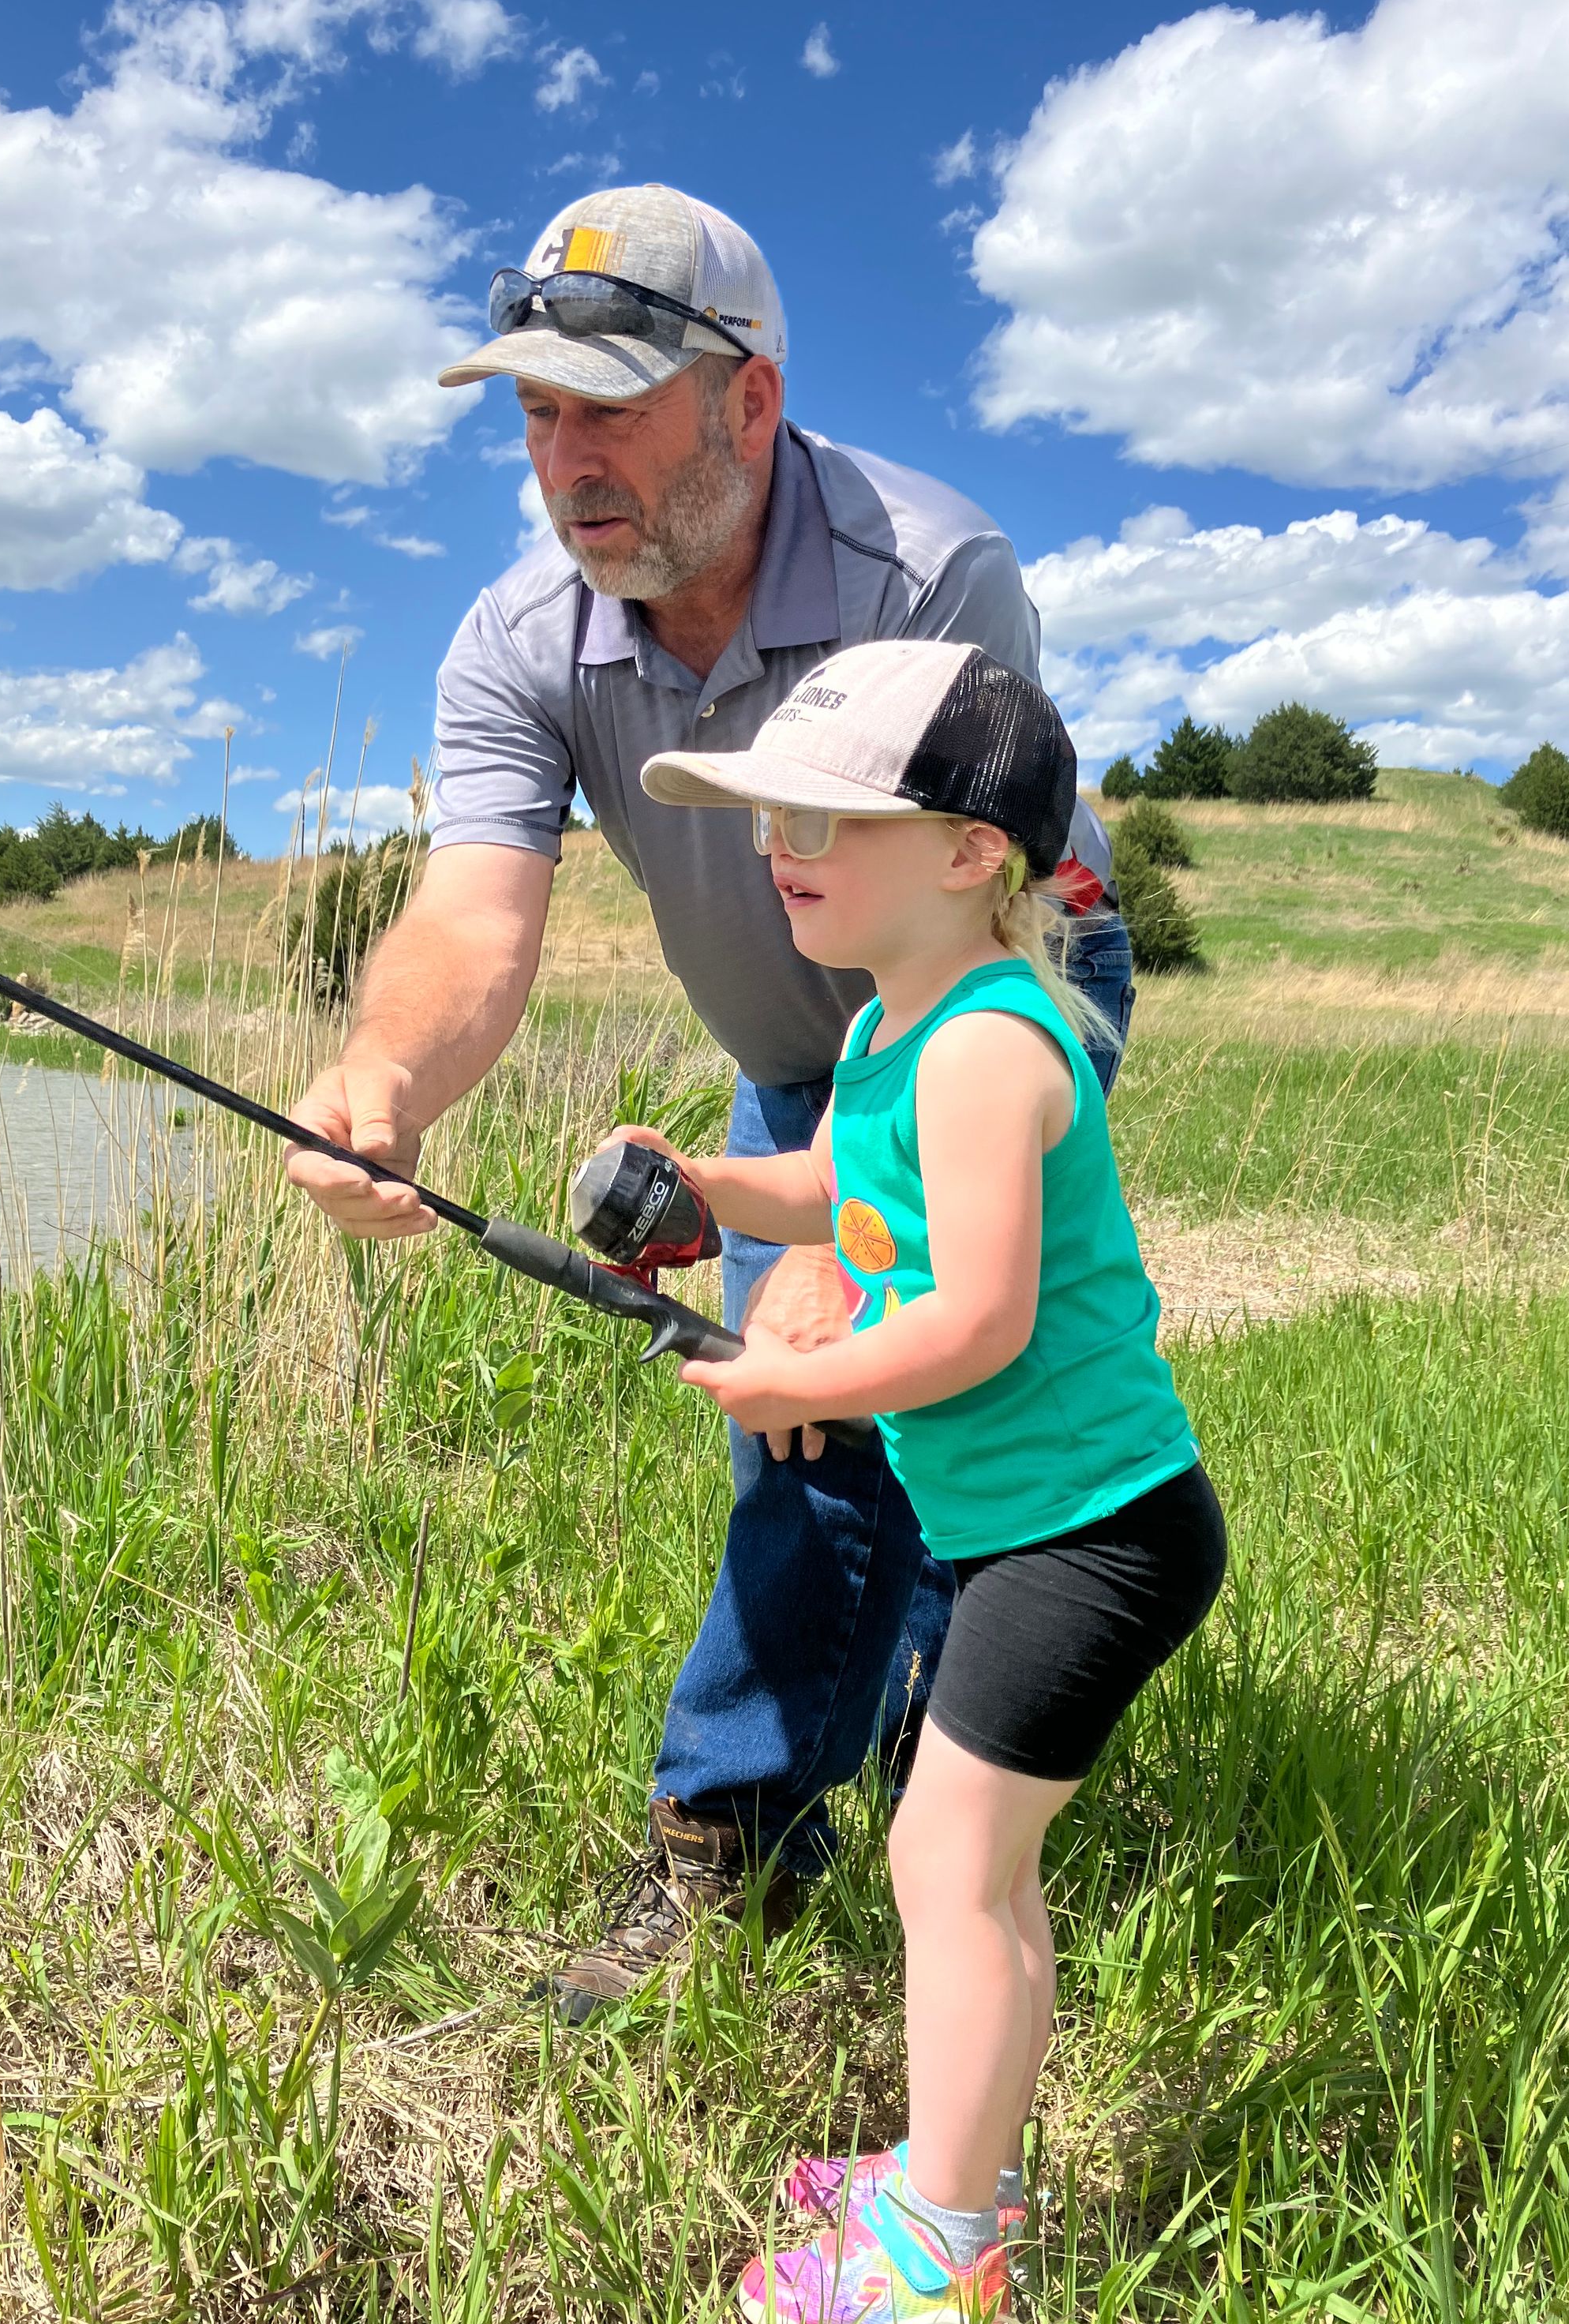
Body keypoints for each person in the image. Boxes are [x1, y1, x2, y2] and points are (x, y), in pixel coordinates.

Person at [283, 182, 1135, 2019]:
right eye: (532, 410)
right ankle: (819, 1797)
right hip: (785, 1043)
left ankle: (804, 1804)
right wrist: (387, 1080)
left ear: (749, 401)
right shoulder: (522, 637)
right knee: (815, 1420)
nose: (562, 457)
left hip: (990, 976)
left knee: (891, 1382)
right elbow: (472, 917)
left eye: (607, 404)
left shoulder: (934, 570)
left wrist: (861, 1215)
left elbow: (984, 914)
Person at [609, 640, 1226, 2322]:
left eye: (828, 815)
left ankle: (935, 2257)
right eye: (770, 814)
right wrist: (706, 1183)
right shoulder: (899, 1021)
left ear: (973, 853)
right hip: (1046, 1529)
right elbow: (834, 1186)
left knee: (941, 1865)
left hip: (1088, 1540)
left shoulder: (988, 1051)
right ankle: (962, 2174)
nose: (777, 845)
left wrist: (790, 1375)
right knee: (980, 1872)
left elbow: (973, 1317)